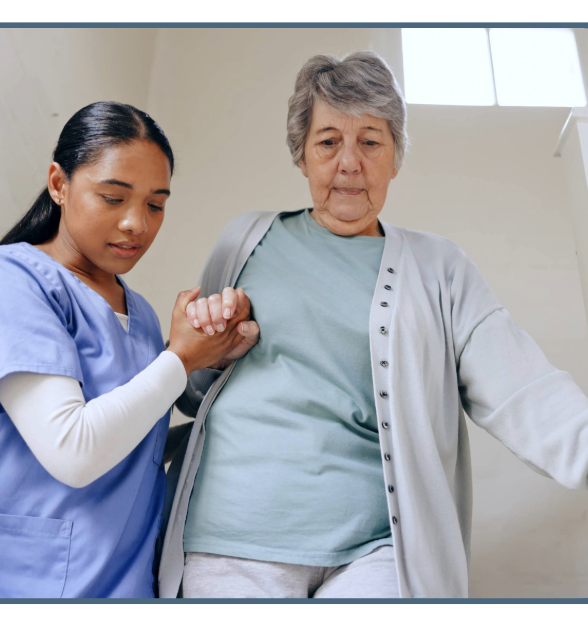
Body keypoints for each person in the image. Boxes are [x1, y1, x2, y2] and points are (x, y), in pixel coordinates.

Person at [159, 50, 588, 599]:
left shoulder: (440, 269)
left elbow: (523, 387)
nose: (349, 162)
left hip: (379, 548)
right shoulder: (244, 240)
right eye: (328, 140)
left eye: (371, 140)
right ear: (302, 154)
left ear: (395, 156)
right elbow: (195, 392)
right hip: (232, 537)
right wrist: (209, 347)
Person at [0, 101, 261, 598]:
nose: (136, 224)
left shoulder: (140, 314)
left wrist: (223, 355)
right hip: (5, 585)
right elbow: (73, 450)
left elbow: (131, 446)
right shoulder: (7, 278)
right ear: (59, 184)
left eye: (155, 204)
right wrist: (182, 358)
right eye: (112, 197)